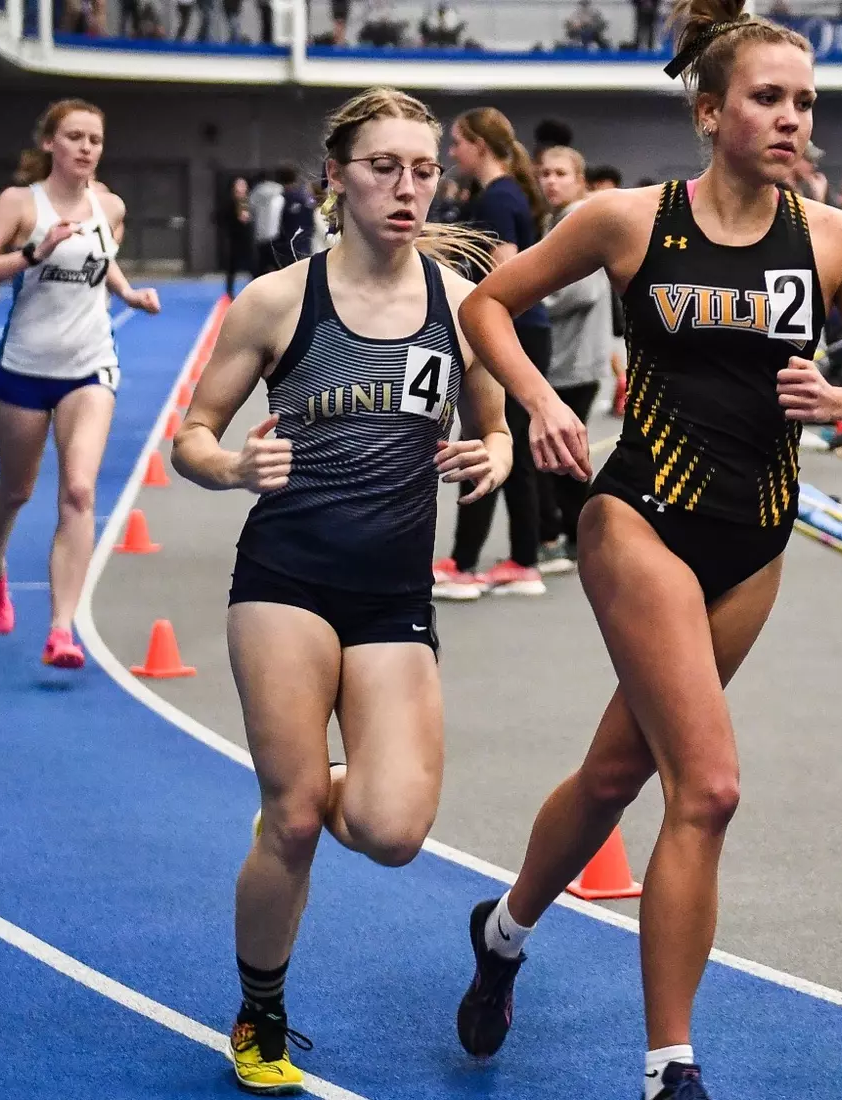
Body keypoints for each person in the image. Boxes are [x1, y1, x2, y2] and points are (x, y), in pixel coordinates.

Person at [450, 4, 842, 1096]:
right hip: (638, 518)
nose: (790, 118)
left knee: (621, 767)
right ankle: (673, 1068)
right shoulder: (628, 221)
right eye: (768, 98)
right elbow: (487, 304)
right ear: (711, 111)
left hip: (755, 538)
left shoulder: (836, 239)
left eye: (805, 101)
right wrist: (534, 407)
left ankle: (506, 931)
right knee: (706, 785)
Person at [171, 87, 509, 1095]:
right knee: (297, 817)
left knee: (397, 829)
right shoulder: (278, 301)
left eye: (422, 168)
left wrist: (490, 451)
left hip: (395, 592)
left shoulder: (458, 300)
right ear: (335, 177)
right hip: (285, 579)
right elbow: (192, 433)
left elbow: (496, 415)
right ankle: (260, 1008)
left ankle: (296, 797)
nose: (407, 187)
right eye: (383, 166)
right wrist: (231, 467)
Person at [0, 99, 161, 668]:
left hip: (90, 366)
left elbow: (103, 256)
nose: (85, 147)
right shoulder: (20, 203)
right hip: (23, 369)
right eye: (73, 137)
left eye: (94, 139)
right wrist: (32, 253)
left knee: (78, 490)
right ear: (50, 143)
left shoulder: (110, 205)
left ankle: (60, 628)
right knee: (16, 490)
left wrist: (126, 293)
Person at [435, 106, 553, 600]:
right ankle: (522, 558)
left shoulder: (499, 198)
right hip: (518, 332)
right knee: (512, 448)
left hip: (513, 334)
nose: (451, 153)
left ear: (479, 146)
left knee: (485, 438)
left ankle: (467, 561)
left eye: (457, 142)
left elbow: (505, 274)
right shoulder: (499, 195)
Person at [534, 144, 613, 573]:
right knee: (560, 458)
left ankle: (582, 539)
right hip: (560, 359)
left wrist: (528, 301)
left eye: (560, 173)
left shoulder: (582, 221)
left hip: (575, 361)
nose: (551, 181)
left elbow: (583, 290)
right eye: (544, 173)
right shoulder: (555, 221)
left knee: (562, 460)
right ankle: (575, 538)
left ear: (579, 180)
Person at [221, 175, 252, 296]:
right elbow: (223, 219)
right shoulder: (229, 203)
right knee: (231, 268)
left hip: (247, 239)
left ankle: (253, 289)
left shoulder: (249, 201)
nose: (241, 188)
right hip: (234, 239)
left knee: (252, 266)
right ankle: (229, 292)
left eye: (243, 186)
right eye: (238, 186)